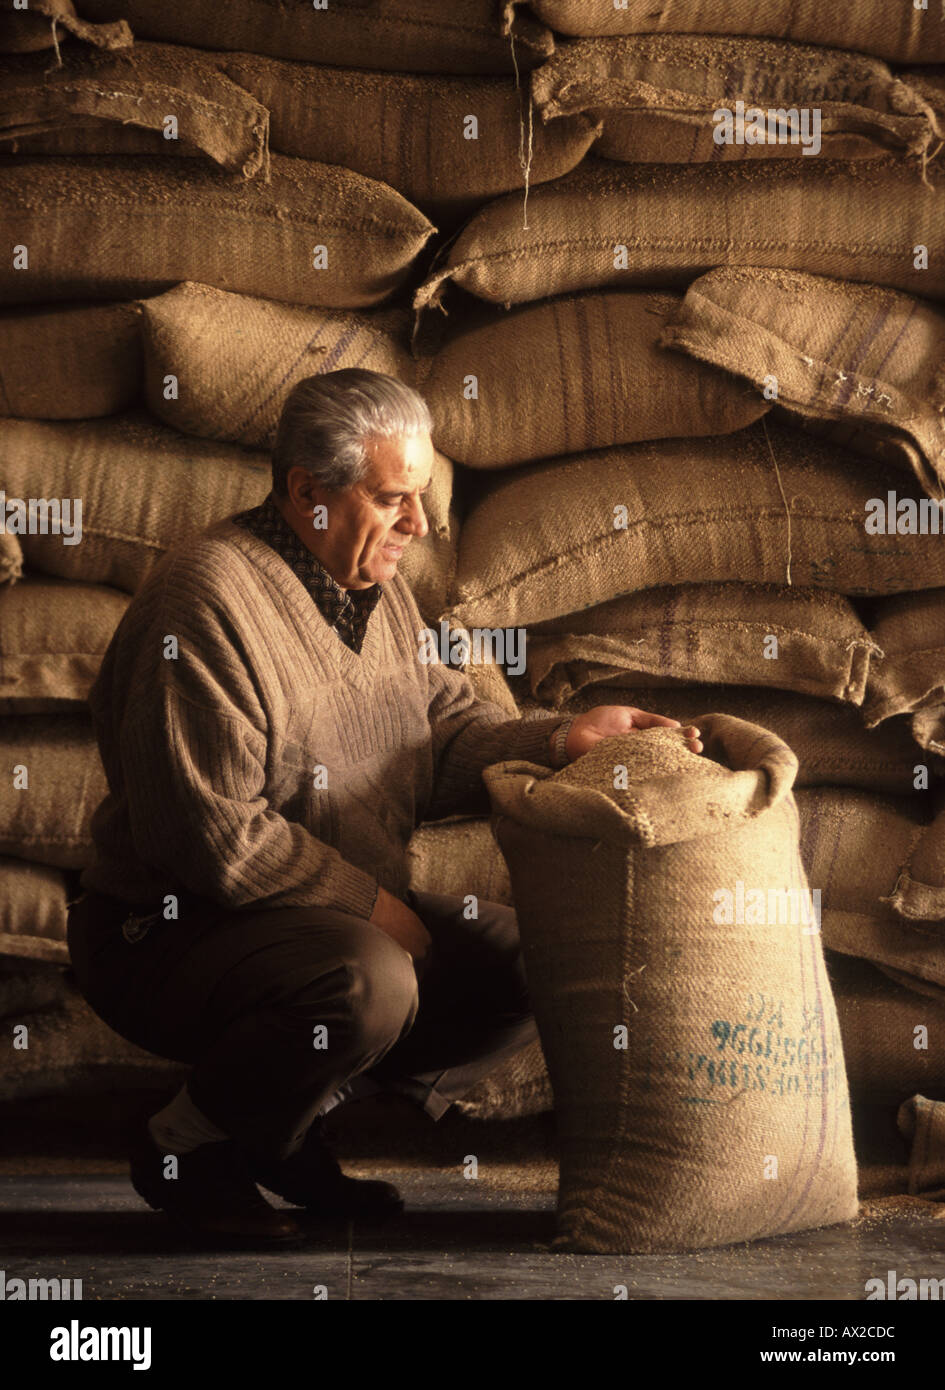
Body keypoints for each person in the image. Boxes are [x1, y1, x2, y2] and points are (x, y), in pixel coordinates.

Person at [67, 369, 702, 1246]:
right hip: (163, 931)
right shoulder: (206, 599)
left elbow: (434, 735)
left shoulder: (375, 589)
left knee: (526, 964)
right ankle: (181, 1145)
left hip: (310, 924)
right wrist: (372, 904)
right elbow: (209, 835)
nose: (422, 525)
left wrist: (561, 740)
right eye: (394, 498)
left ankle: (273, 1128)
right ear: (308, 492)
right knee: (370, 980)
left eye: (424, 497)